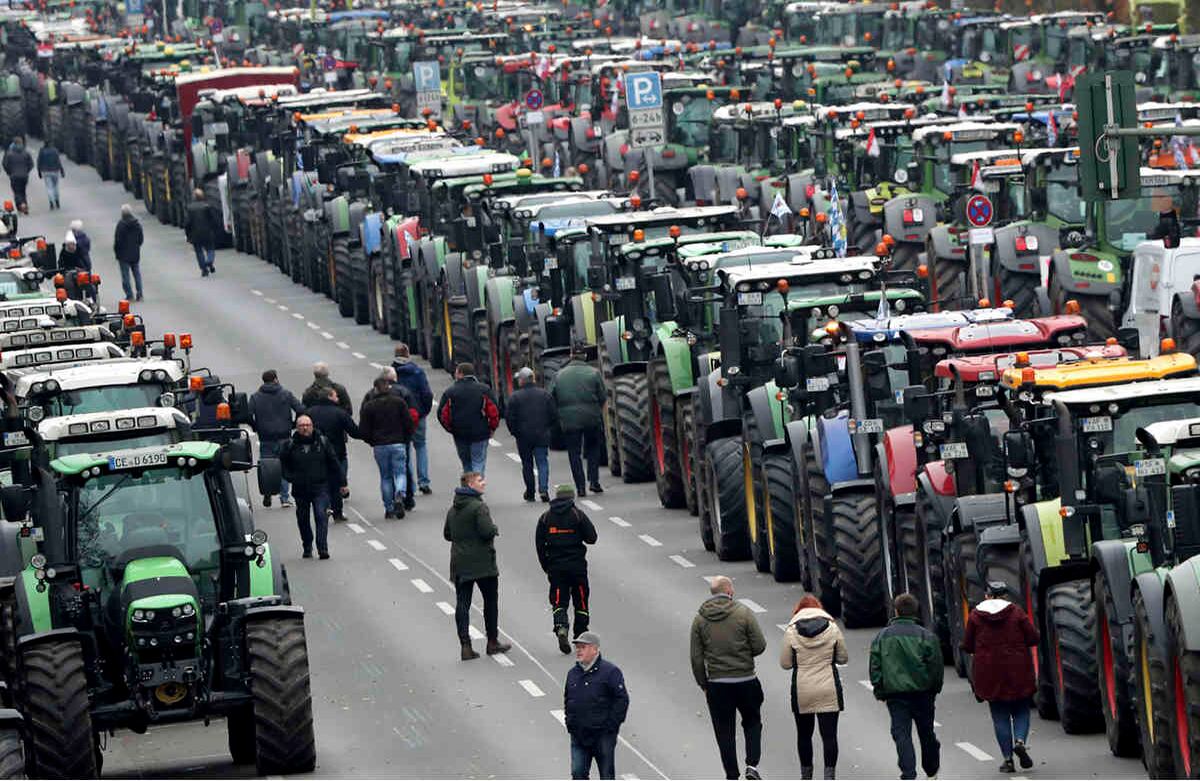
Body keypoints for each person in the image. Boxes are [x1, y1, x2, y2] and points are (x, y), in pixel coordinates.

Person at [690, 575, 767, 781]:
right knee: (752, 722)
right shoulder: (744, 614)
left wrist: (703, 683)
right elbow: (759, 645)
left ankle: (732, 774)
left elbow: (696, 657)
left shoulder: (700, 619)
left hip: (717, 684)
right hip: (746, 680)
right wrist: (744, 654)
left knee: (724, 731)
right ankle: (752, 764)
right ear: (730, 592)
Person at [962, 581, 1039, 773]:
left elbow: (968, 644)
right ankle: (1020, 740)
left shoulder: (975, 616)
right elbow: (1033, 638)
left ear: (987, 595)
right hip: (1018, 669)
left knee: (1000, 716)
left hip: (989, 673)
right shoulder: (1017, 613)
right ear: (1005, 596)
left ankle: (1008, 759)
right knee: (1021, 709)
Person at [870, 593, 943, 781]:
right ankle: (931, 770)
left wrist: (879, 690)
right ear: (915, 611)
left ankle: (908, 773)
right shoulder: (926, 636)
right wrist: (934, 688)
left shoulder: (882, 637)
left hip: (895, 695)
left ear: (896, 611)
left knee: (901, 734)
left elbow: (875, 666)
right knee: (926, 732)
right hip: (923, 693)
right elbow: (935, 666)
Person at [444, 472, 511, 659]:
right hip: (483, 563)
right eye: (480, 481)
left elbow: (447, 534)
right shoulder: (479, 507)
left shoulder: (453, 509)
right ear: (470, 485)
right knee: (490, 601)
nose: (484, 483)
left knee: (462, 603)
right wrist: (494, 529)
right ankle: (492, 641)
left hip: (460, 563)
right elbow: (486, 531)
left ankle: (465, 645)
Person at [781, 594, 848, 780]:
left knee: (804, 735)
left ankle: (806, 775)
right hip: (828, 688)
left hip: (802, 689)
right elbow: (843, 658)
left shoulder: (792, 631)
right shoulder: (832, 629)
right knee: (829, 735)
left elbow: (785, 663)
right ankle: (829, 775)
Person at [535, 484, 597, 652]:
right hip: (577, 567)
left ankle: (561, 628)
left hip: (556, 569)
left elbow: (539, 545)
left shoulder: (545, 518)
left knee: (558, 601)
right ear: (571, 498)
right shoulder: (577, 515)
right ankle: (581, 636)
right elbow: (592, 538)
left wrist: (546, 566)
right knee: (581, 602)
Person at [278, 415, 346, 559]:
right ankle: (307, 545)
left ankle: (322, 548)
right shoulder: (289, 445)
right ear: (297, 427)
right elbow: (282, 464)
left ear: (312, 426)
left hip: (320, 487)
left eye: (307, 425)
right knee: (303, 519)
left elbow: (334, 462)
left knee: (321, 516)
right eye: (301, 425)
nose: (305, 428)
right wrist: (290, 477)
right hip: (300, 488)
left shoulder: (322, 442)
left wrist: (342, 483)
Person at [565, 632, 629, 780]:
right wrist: (571, 723)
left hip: (602, 737)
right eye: (577, 647)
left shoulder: (610, 672)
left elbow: (622, 700)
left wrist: (610, 727)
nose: (578, 650)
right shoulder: (572, 674)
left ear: (595, 649)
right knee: (578, 773)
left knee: (606, 775)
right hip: (579, 736)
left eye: (583, 647)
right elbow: (568, 698)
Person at [551, 345, 606, 496]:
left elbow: (552, 397)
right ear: (585, 356)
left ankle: (580, 487)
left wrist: (560, 414)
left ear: (571, 355)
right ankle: (594, 482)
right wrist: (596, 410)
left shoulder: (559, 375)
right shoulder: (594, 373)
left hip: (569, 421)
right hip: (591, 418)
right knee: (593, 449)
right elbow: (603, 396)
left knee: (574, 453)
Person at [360, 373, 415, 519]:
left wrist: (371, 441)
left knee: (385, 476)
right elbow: (408, 423)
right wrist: (405, 438)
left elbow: (364, 429)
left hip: (380, 445)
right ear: (388, 387)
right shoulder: (399, 403)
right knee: (400, 473)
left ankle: (389, 508)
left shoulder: (369, 406)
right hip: (398, 442)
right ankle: (400, 493)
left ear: (375, 389)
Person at [305, 385, 362, 522]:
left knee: (321, 484)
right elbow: (354, 431)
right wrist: (369, 434)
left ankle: (323, 509)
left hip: (316, 453)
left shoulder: (310, 412)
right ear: (330, 397)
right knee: (336, 483)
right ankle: (337, 512)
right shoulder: (340, 413)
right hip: (337, 452)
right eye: (336, 396)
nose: (337, 398)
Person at [249, 369, 304, 508]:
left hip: (266, 437)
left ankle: (267, 493)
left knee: (267, 467)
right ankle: (284, 497)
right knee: (284, 466)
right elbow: (300, 409)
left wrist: (255, 426)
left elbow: (248, 414)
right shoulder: (286, 394)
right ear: (275, 379)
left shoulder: (256, 397)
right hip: (284, 436)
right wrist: (293, 424)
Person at [437, 363, 500, 475]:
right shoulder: (484, 390)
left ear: (460, 373)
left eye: (456, 372)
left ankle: (470, 486)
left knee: (466, 463)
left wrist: (451, 429)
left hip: (459, 433)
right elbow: (494, 412)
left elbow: (442, 414)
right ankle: (475, 487)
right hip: (480, 433)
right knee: (478, 461)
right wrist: (492, 428)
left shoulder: (450, 392)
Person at [506, 366, 557, 502]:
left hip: (523, 437)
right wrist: (547, 428)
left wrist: (515, 432)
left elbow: (510, 418)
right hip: (541, 434)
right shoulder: (544, 394)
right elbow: (553, 414)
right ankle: (544, 490)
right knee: (542, 463)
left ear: (522, 381)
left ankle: (530, 492)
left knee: (527, 464)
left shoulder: (515, 397)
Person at [392, 343, 433, 495]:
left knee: (404, 450)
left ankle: (410, 486)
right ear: (408, 354)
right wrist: (424, 411)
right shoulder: (417, 372)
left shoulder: (391, 373)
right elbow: (426, 394)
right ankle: (424, 482)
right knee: (421, 446)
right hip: (418, 414)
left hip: (399, 418)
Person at [112, 204, 144, 301]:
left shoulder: (121, 225)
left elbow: (117, 240)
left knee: (126, 276)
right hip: (135, 253)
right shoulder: (137, 224)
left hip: (123, 255)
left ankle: (129, 295)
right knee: (137, 274)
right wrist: (137, 247)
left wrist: (117, 252)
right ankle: (140, 294)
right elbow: (140, 239)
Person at [185, 188, 218, 276]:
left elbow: (187, 223)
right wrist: (214, 229)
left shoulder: (190, 208)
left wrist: (188, 235)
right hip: (207, 232)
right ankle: (209, 261)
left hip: (195, 234)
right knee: (210, 249)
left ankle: (204, 269)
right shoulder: (207, 206)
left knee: (199, 252)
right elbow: (213, 220)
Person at [2, 137, 33, 213]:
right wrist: (26, 171)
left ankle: (21, 205)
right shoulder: (26, 153)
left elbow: (5, 164)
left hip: (14, 176)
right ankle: (24, 205)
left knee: (17, 192)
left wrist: (9, 172)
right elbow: (31, 164)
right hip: (24, 176)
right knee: (23, 191)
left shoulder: (9, 154)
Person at [36, 142, 63, 210]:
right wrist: (61, 170)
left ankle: (51, 201)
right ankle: (57, 201)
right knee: (55, 186)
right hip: (55, 171)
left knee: (49, 188)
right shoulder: (55, 150)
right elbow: (58, 161)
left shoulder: (42, 151)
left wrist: (39, 171)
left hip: (46, 171)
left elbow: (39, 161)